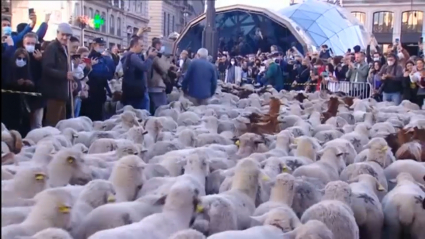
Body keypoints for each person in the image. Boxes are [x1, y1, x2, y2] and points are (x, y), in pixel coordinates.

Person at [40, 23, 74, 127]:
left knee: (61, 124)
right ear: (58, 33)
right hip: (54, 93)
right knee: (53, 123)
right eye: (63, 34)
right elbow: (47, 68)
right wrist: (64, 75)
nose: (65, 37)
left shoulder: (65, 48)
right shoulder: (52, 48)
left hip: (62, 93)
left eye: (67, 35)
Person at [80, 37, 115, 121]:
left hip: (101, 90)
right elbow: (91, 73)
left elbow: (109, 73)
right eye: (100, 45)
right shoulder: (89, 57)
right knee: (92, 115)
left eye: (103, 45)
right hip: (91, 90)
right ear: (94, 45)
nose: (102, 47)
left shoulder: (104, 58)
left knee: (100, 115)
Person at [3, 48, 34, 133]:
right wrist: (15, 83)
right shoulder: (8, 69)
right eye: (19, 58)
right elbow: (6, 83)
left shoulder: (27, 70)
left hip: (23, 104)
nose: (21, 61)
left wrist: (29, 84)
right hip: (9, 103)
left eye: (24, 59)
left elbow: (32, 88)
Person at [120, 36, 151, 110]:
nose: (142, 48)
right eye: (141, 46)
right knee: (142, 113)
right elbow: (144, 67)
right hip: (136, 92)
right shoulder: (133, 56)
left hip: (129, 91)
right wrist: (150, 57)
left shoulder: (126, 55)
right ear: (135, 46)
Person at [22, 32, 44, 129]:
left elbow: (45, 73)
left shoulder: (41, 56)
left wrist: (40, 61)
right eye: (28, 43)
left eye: (33, 43)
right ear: (23, 44)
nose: (30, 46)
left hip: (38, 95)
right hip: (23, 95)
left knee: (37, 123)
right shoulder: (20, 56)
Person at [148, 42, 172, 115]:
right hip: (157, 87)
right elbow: (164, 68)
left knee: (153, 110)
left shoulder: (148, 56)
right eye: (161, 45)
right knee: (162, 110)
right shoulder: (156, 57)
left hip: (150, 87)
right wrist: (166, 59)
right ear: (157, 46)